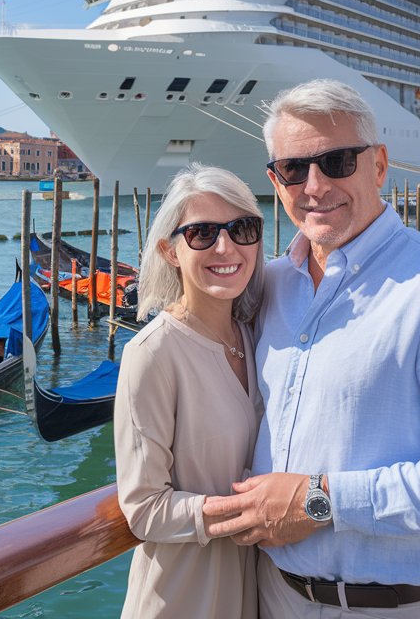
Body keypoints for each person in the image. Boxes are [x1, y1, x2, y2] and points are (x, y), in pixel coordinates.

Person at [203, 78, 420, 617]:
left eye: (336, 162)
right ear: (274, 180)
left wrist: (319, 500)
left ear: (378, 165)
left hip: (396, 607)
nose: (314, 185)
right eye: (293, 169)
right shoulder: (270, 286)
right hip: (273, 595)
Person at [114, 163, 267, 618]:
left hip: (256, 593)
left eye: (243, 229)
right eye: (202, 233)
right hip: (183, 599)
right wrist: (251, 511)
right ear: (170, 250)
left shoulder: (257, 335)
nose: (226, 247)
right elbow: (143, 508)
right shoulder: (152, 353)